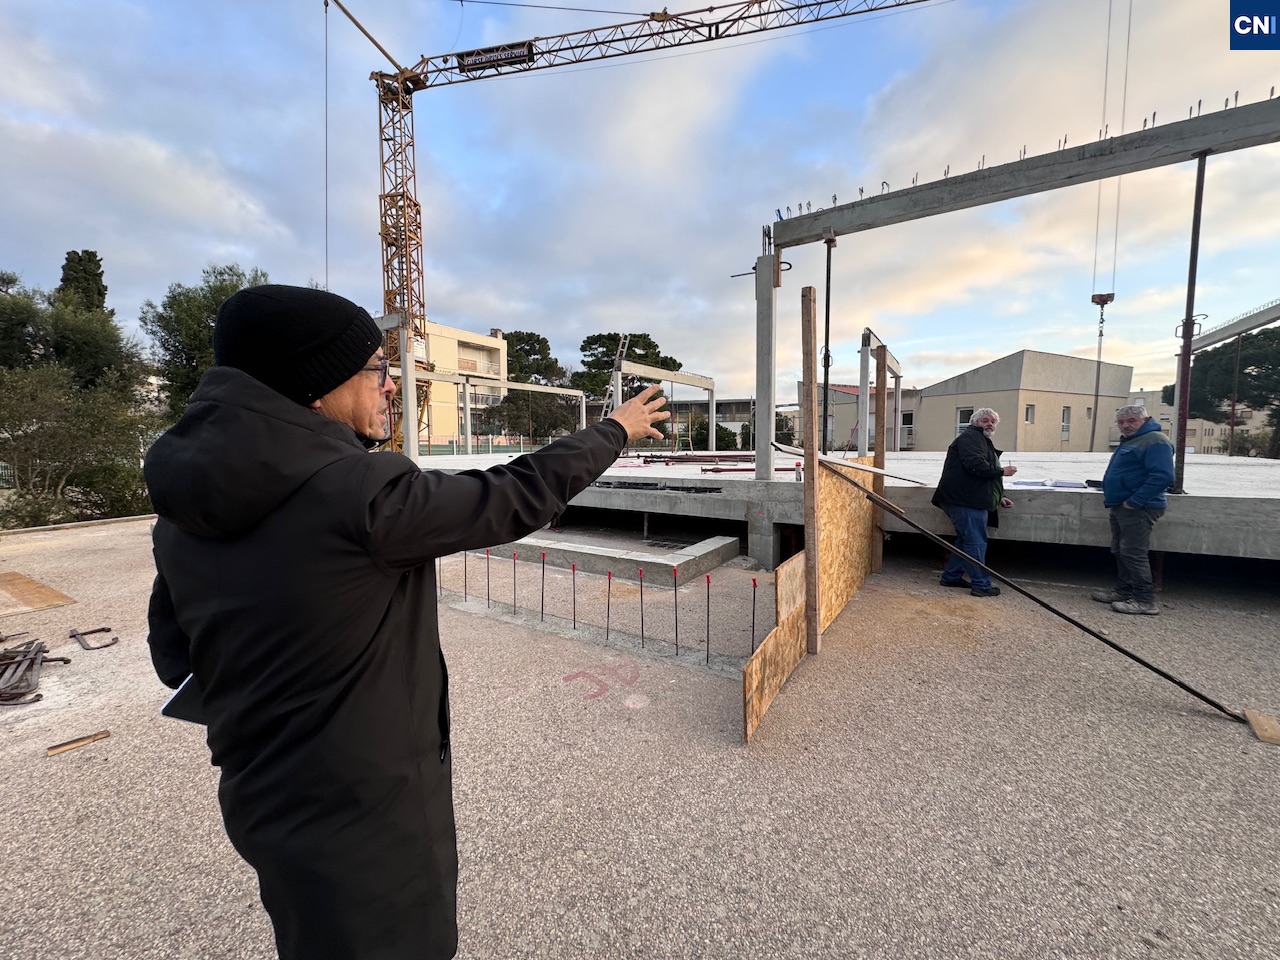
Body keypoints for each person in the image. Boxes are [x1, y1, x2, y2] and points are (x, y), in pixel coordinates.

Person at [143, 284, 669, 960]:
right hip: (368, 822)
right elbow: (515, 494)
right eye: (376, 370)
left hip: (263, 801)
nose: (392, 386)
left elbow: (174, 656)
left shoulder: (183, 505)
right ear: (315, 386)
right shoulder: (359, 493)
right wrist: (613, 430)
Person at [1092, 403, 1174, 615]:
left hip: (1139, 508)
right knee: (1121, 550)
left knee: (1133, 553)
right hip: (1122, 506)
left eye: (1131, 421)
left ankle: (1145, 600)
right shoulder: (1133, 440)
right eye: (1121, 422)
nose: (1125, 426)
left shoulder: (1155, 441)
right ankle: (1124, 591)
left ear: (1145, 420)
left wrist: (1134, 501)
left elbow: (1163, 476)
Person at [931, 408, 1017, 597]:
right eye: (985, 420)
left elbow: (978, 475)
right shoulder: (971, 437)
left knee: (966, 540)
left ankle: (951, 576)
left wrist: (998, 497)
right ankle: (981, 584)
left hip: (966, 498)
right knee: (975, 542)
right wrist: (1003, 472)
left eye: (993, 421)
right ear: (974, 422)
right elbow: (975, 465)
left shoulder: (980, 440)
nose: (990, 424)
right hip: (965, 500)